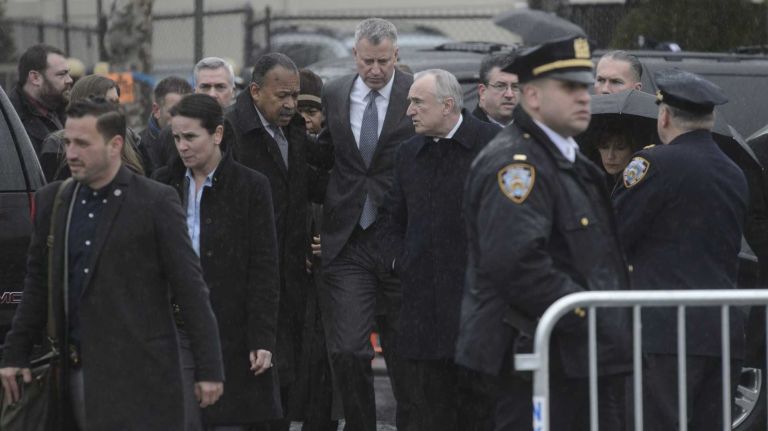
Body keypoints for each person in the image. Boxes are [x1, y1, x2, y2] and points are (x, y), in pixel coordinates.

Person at [0, 97, 224, 430]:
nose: (71, 153)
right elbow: (38, 285)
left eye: (83, 144)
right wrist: (15, 355)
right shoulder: (54, 202)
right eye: (68, 142)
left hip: (142, 378)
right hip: (74, 376)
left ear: (115, 145)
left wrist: (209, 369)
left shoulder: (155, 202)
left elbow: (190, 289)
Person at [455, 36, 631, 431]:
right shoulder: (518, 165)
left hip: (572, 356)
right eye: (569, 88)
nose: (585, 97)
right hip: (533, 359)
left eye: (585, 86)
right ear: (532, 96)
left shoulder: (570, 159)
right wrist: (588, 312)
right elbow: (517, 263)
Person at [612, 69, 748, 431]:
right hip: (720, 329)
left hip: (665, 328)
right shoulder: (733, 171)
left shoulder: (654, 164)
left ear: (665, 116)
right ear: (712, 118)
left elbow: (616, 236)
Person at [377, 69, 500, 431]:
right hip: (423, 309)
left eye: (417, 102)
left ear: (448, 105)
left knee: (479, 412)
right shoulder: (408, 153)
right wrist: (400, 260)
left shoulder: (492, 145)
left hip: (476, 310)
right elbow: (390, 218)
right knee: (428, 411)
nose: (409, 110)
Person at [153, 93, 282, 431]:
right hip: (176, 325)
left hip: (232, 328)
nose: (182, 146)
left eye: (191, 137)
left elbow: (264, 267)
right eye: (177, 137)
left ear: (218, 134)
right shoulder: (162, 185)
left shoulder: (251, 187)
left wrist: (263, 337)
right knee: (181, 418)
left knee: (227, 419)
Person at [316, 17, 416, 431]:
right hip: (350, 240)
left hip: (398, 237)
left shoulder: (416, 94)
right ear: (354, 56)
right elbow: (328, 154)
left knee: (408, 357)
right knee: (349, 351)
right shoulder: (336, 92)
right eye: (367, 61)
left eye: (384, 61)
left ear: (397, 56)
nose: (375, 70)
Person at [226, 52, 328, 431]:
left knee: (284, 374)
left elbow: (310, 187)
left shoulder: (294, 132)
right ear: (255, 91)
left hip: (290, 273)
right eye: (281, 95)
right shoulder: (232, 134)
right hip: (245, 275)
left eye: (294, 96)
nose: (289, 105)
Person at [38, 74, 146, 181]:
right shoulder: (56, 146)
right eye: (106, 102)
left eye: (116, 103)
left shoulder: (133, 140)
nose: (114, 109)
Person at [154, 58, 237, 169]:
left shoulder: (245, 131)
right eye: (205, 87)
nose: (212, 94)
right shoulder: (169, 135)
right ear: (195, 91)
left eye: (220, 87)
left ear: (233, 92)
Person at [9, 43, 73, 155]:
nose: (70, 80)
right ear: (35, 78)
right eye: (61, 74)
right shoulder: (10, 120)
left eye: (68, 73)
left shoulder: (62, 110)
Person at [140, 75, 193, 173]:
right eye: (174, 112)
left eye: (188, 111)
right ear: (156, 110)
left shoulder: (201, 141)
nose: (182, 118)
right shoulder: (138, 147)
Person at [474, 52, 519, 127]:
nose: (509, 95)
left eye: (515, 87)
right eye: (500, 86)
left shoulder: (535, 132)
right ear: (482, 92)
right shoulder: (466, 133)